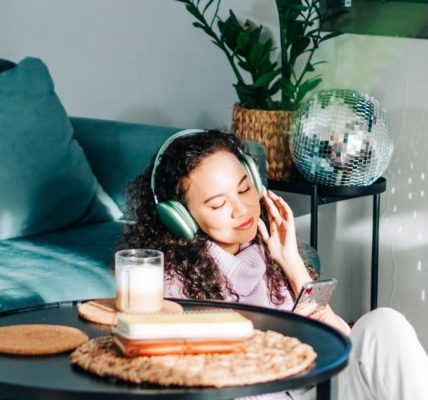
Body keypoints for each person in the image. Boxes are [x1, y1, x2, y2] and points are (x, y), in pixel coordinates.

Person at [117, 129, 428, 400]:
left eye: (244, 189)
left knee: (384, 323)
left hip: (316, 388)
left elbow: (341, 342)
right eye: (218, 204)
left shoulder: (269, 252)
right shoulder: (172, 283)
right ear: (180, 217)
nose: (241, 209)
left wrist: (290, 260)